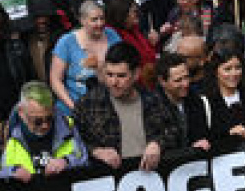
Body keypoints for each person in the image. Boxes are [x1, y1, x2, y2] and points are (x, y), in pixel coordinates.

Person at [75, 41, 180, 173]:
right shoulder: (88, 104)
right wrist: (96, 151)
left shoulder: (154, 100)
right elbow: (74, 141)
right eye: (109, 74)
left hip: (151, 177)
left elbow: (173, 130)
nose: (114, 82)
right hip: (108, 180)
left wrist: (158, 144)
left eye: (121, 76)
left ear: (136, 74)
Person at [49, 0, 118, 111]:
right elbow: (55, 80)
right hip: (75, 106)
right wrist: (74, 108)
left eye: (102, 18)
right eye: (94, 20)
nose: (100, 23)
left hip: (109, 104)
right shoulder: (66, 42)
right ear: (82, 21)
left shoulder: (112, 35)